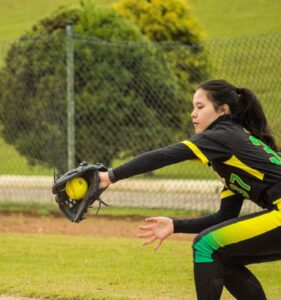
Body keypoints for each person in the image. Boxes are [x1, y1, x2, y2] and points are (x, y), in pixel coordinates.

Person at [99, 79, 281, 300]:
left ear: (223, 110)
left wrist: (110, 176)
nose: (193, 114)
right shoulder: (230, 152)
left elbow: (165, 155)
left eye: (200, 106)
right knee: (223, 255)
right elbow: (225, 216)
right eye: (193, 107)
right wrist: (175, 225)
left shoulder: (223, 135)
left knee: (206, 245)